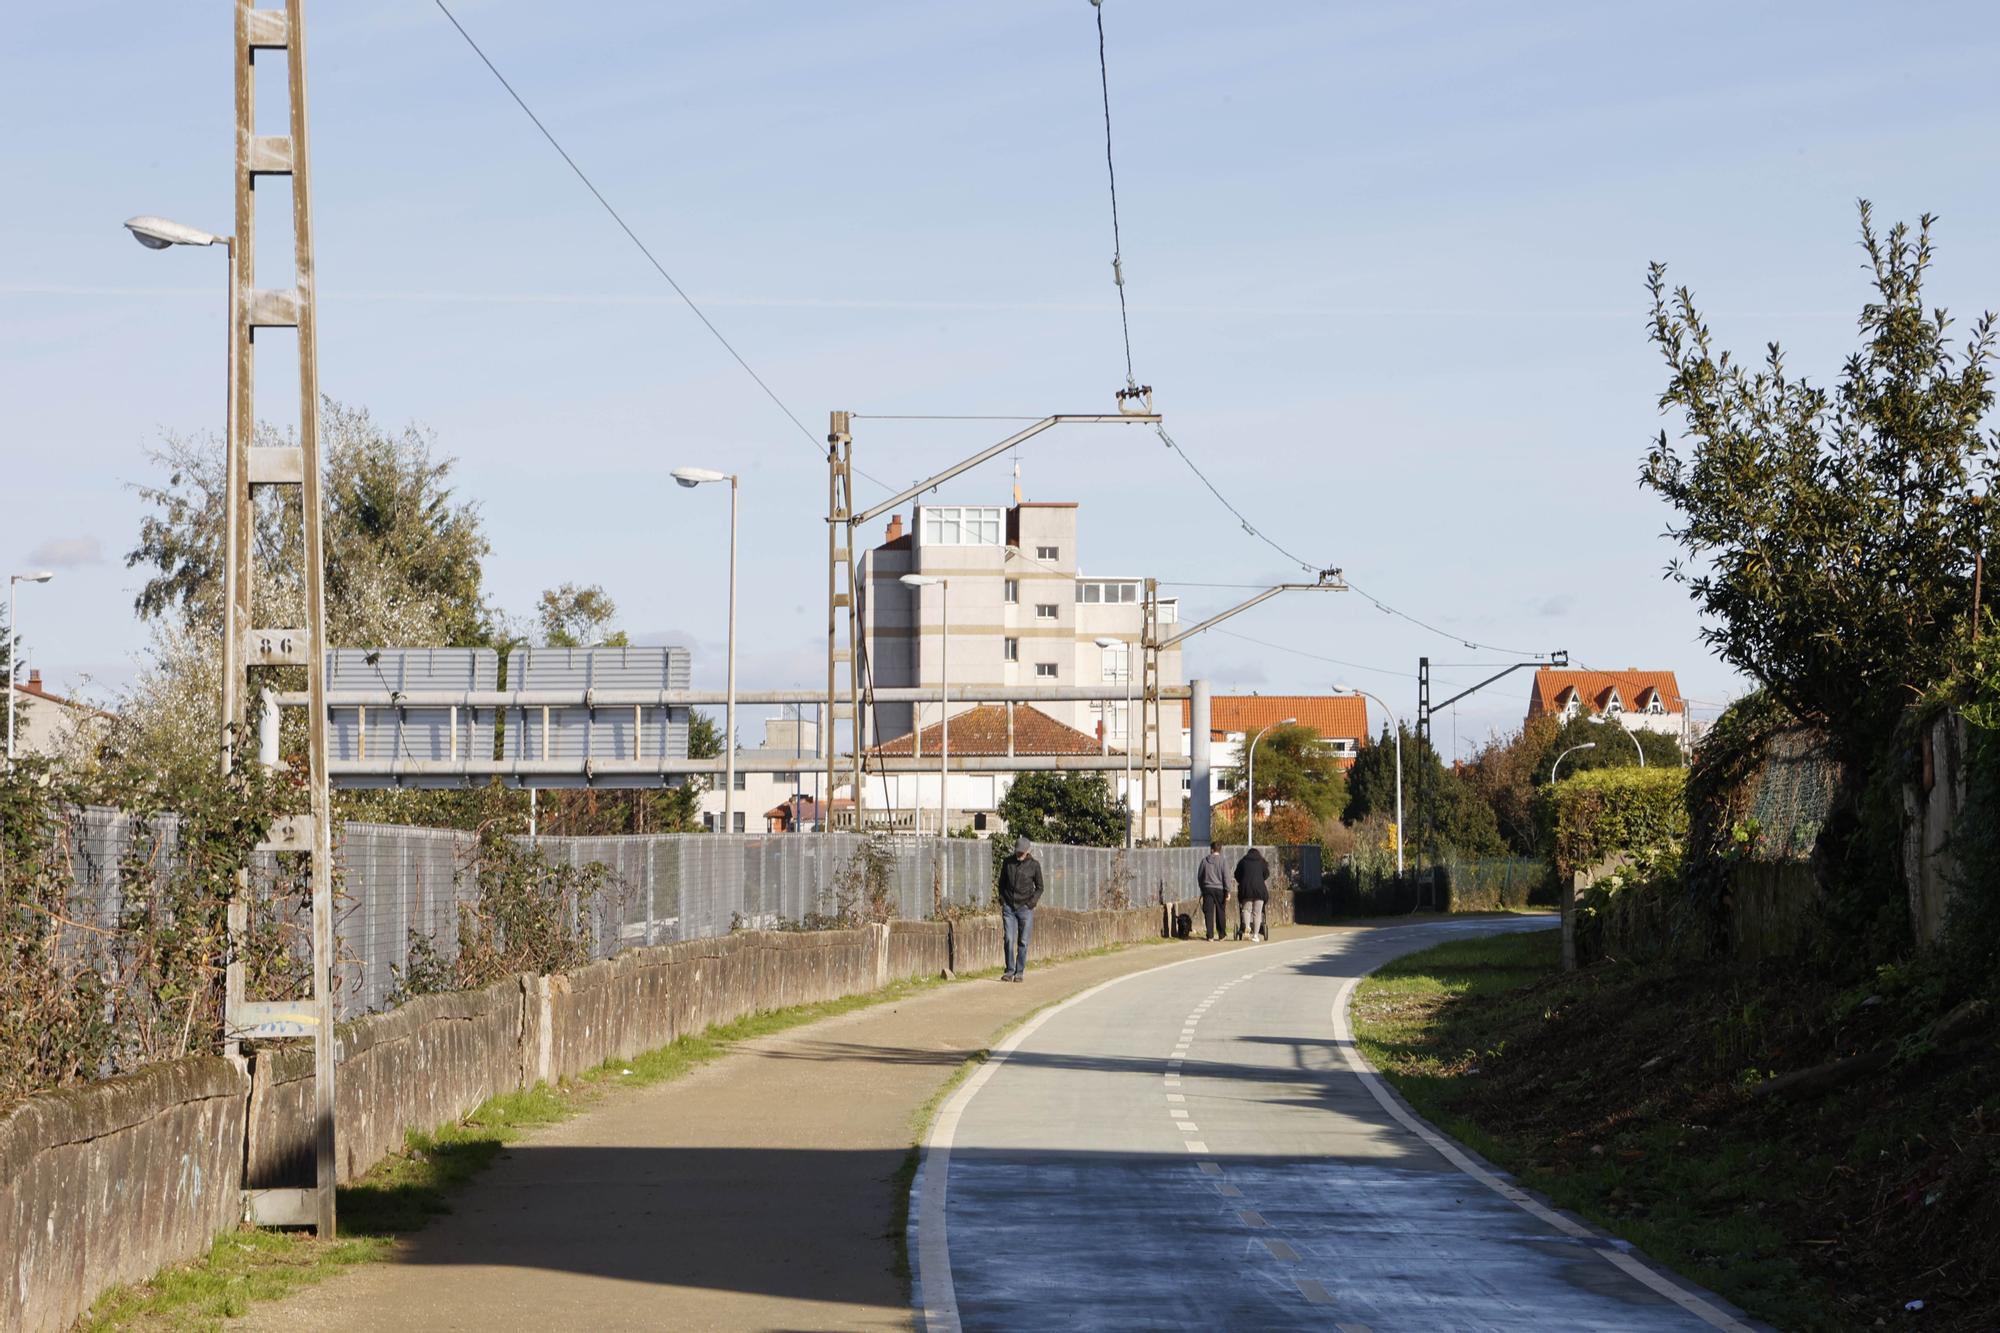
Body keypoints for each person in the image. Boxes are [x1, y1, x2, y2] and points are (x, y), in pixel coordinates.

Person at [997, 835, 1044, 981]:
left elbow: (1040, 887)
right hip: (1009, 907)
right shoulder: (1007, 862)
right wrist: (1003, 900)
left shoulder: (1034, 865)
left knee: (1023, 941)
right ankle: (1009, 971)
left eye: (1021, 852)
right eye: (1017, 851)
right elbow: (1001, 884)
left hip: (1025, 908)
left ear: (1027, 851)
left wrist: (1031, 903)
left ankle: (1019, 972)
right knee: (1009, 939)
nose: (1019, 854)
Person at [1235, 846, 1271, 942]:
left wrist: (1243, 880)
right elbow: (1266, 874)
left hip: (1246, 889)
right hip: (1259, 889)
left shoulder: (1243, 861)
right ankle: (1255, 935)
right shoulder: (1262, 862)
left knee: (1246, 910)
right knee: (1257, 912)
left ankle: (1247, 927)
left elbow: (1237, 875)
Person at [1197, 840, 1231, 942]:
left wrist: (1202, 887)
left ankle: (1210, 935)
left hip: (1207, 889)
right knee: (1220, 911)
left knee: (1209, 912)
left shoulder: (1204, 861)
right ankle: (1221, 934)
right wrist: (1227, 891)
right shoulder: (1223, 861)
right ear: (1220, 850)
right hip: (1219, 889)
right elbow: (1226, 877)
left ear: (1211, 849)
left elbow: (1200, 876)